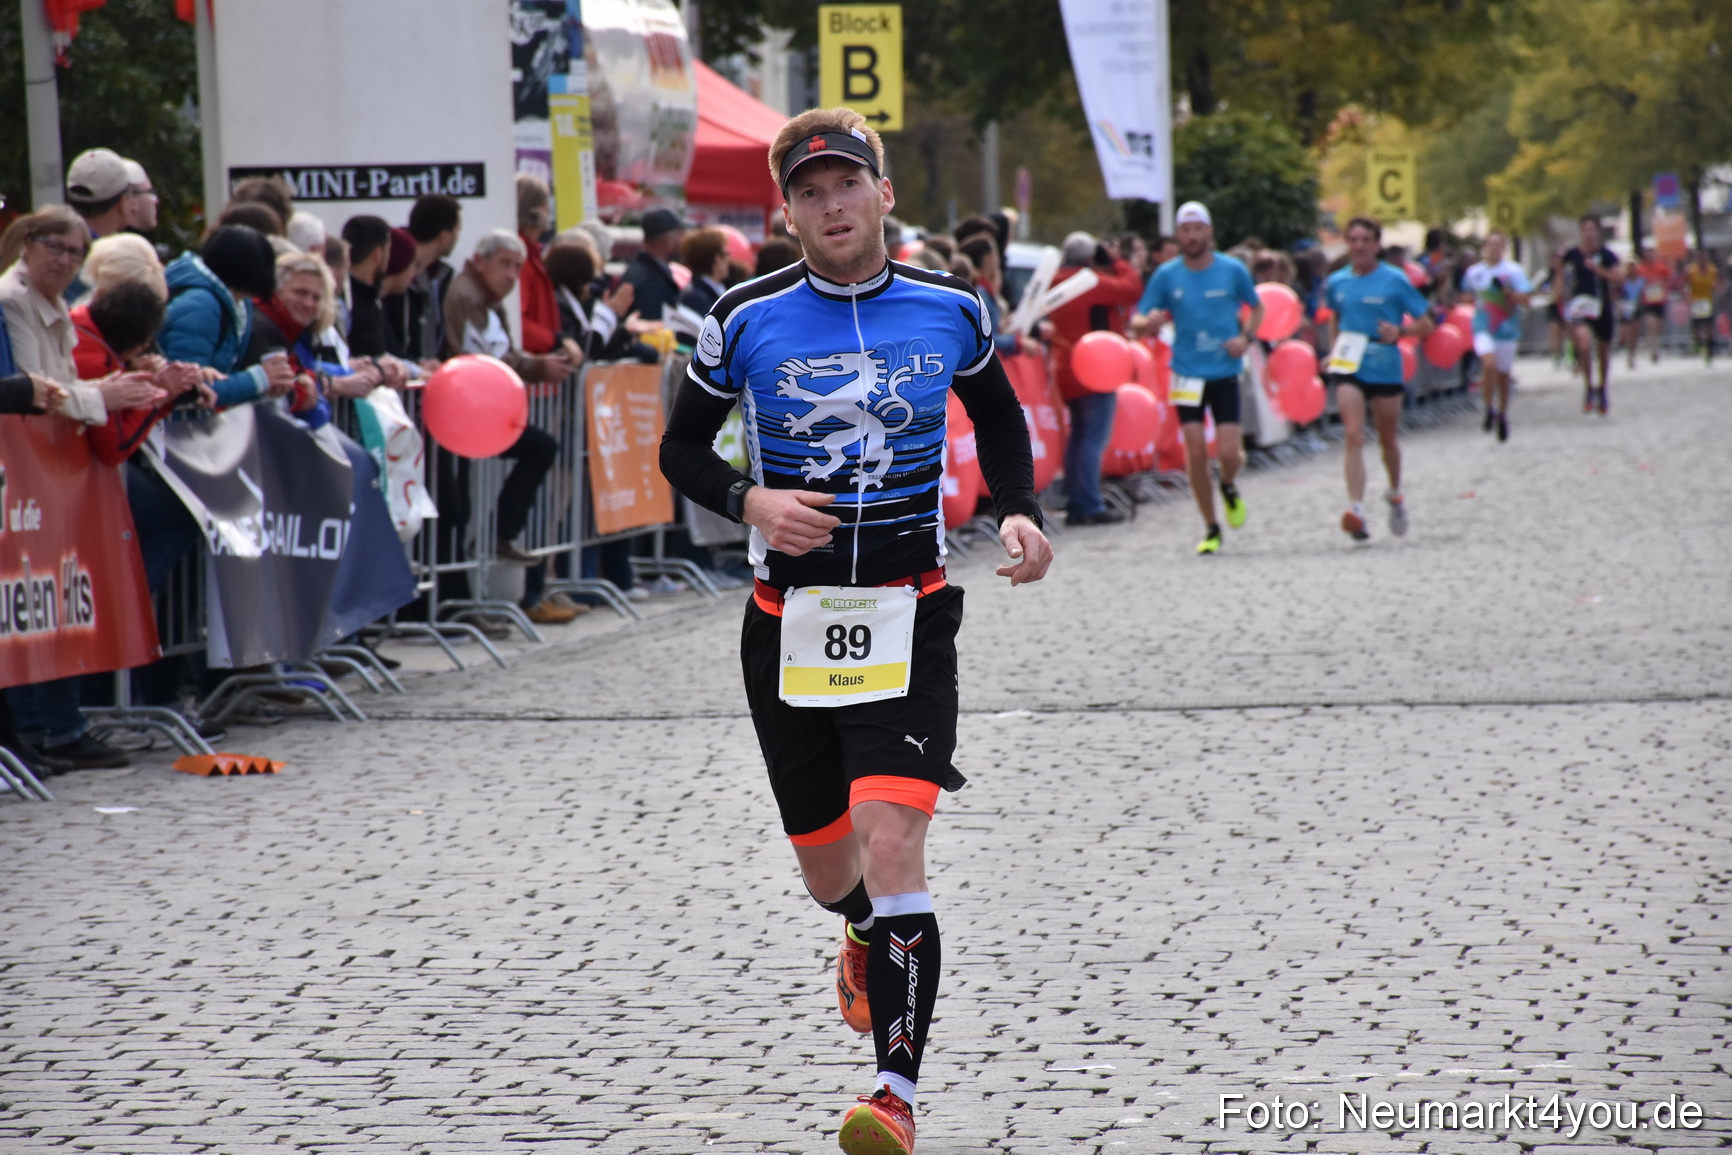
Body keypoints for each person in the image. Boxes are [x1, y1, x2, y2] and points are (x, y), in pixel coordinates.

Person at [659, 106, 1052, 1155]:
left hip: (908, 611)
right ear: (786, 213)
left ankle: (893, 1095)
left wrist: (1018, 507)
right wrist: (751, 502)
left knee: (892, 842)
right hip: (786, 620)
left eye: (846, 184)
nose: (830, 205)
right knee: (832, 869)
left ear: (884, 195)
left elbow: (1000, 417)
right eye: (808, 190)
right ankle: (859, 928)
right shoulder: (741, 318)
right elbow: (680, 451)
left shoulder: (950, 308)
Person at [442, 229, 574, 574]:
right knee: (456, 506)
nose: (511, 276)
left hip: (474, 412)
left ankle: (497, 538)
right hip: (463, 412)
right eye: (504, 264)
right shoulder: (468, 295)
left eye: (517, 267)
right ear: (479, 260)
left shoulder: (485, 297)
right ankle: (494, 540)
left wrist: (535, 364)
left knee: (538, 449)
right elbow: (482, 357)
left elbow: (502, 354)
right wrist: (538, 366)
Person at [1135, 201, 1262, 554]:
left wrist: (1245, 337)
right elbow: (1138, 320)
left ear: (1209, 231)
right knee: (1194, 451)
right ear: (1178, 235)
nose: (1192, 236)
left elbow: (1258, 306)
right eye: (1185, 230)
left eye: (1197, 229)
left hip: (1224, 370)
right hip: (1187, 373)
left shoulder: (1232, 270)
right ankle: (1210, 526)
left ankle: (1229, 483)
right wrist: (1151, 323)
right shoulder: (1167, 274)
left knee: (1229, 453)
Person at [1322, 216, 1433, 542]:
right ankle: (1356, 507)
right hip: (1349, 362)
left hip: (1385, 363)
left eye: (1365, 240)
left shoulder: (1395, 280)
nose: (1358, 246)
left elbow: (1426, 323)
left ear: (1376, 244)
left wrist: (1401, 331)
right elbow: (1335, 317)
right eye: (1353, 240)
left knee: (1387, 439)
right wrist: (1333, 350)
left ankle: (1395, 493)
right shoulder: (1337, 282)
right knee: (1353, 434)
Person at [1047, 232, 1145, 526]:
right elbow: (1132, 289)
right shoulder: (1088, 282)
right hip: (1096, 368)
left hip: (1066, 367)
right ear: (1090, 257)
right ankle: (1088, 503)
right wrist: (1115, 259)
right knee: (1093, 438)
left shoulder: (1055, 280)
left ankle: (1078, 500)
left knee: (1078, 435)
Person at [1461, 229, 1531, 442]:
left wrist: (1510, 294)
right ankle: (1488, 407)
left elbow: (1526, 299)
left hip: (1507, 330)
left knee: (1503, 375)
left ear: (1504, 247)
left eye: (1498, 244)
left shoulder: (1514, 272)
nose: (1494, 248)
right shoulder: (1474, 273)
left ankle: (1502, 414)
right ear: (1484, 248)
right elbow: (1465, 295)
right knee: (1488, 365)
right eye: (1490, 244)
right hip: (1483, 327)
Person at [1553, 215, 1621, 414]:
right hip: (1580, 307)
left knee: (1603, 351)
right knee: (1583, 344)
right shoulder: (1573, 254)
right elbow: (1559, 269)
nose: (1589, 233)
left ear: (1597, 232)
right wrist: (1558, 288)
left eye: (1592, 229)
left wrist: (1598, 270)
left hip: (1601, 306)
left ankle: (1603, 388)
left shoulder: (1607, 255)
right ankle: (1588, 386)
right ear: (1581, 232)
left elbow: (1619, 276)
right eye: (1585, 230)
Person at [406, 193, 462, 362]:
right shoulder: (399, 275)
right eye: (457, 231)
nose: (458, 238)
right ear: (444, 236)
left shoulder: (441, 276)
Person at [621, 207, 693, 322]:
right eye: (681, 235)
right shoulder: (649, 279)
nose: (684, 241)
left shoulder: (645, 270)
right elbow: (652, 331)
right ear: (668, 240)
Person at [1633, 243, 1674, 364]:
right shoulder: (1640, 269)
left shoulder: (1661, 267)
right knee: (1651, 326)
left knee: (1659, 327)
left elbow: (1669, 280)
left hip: (1660, 301)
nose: (1649, 255)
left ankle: (1655, 346)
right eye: (1647, 252)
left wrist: (1661, 284)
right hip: (1647, 302)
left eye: (1651, 252)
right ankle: (1654, 351)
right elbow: (1635, 283)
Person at [678, 227, 731, 317]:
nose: (729, 259)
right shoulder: (694, 297)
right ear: (717, 258)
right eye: (726, 254)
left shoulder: (715, 290)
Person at [1685, 250, 1720, 364]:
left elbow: (1717, 284)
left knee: (1709, 327)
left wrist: (1718, 291)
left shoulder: (1712, 271)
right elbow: (1685, 285)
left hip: (1708, 302)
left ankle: (1709, 351)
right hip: (1696, 302)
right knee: (1698, 328)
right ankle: (1699, 345)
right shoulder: (1691, 271)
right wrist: (1687, 298)